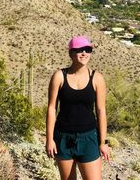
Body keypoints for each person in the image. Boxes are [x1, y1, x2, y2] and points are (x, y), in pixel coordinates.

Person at [46, 35, 110, 180]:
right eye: (79, 50)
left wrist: (103, 142)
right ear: (71, 53)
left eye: (87, 49)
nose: (84, 53)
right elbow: (51, 109)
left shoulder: (97, 78)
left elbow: (101, 111)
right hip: (63, 138)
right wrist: (49, 139)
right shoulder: (59, 76)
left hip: (89, 138)